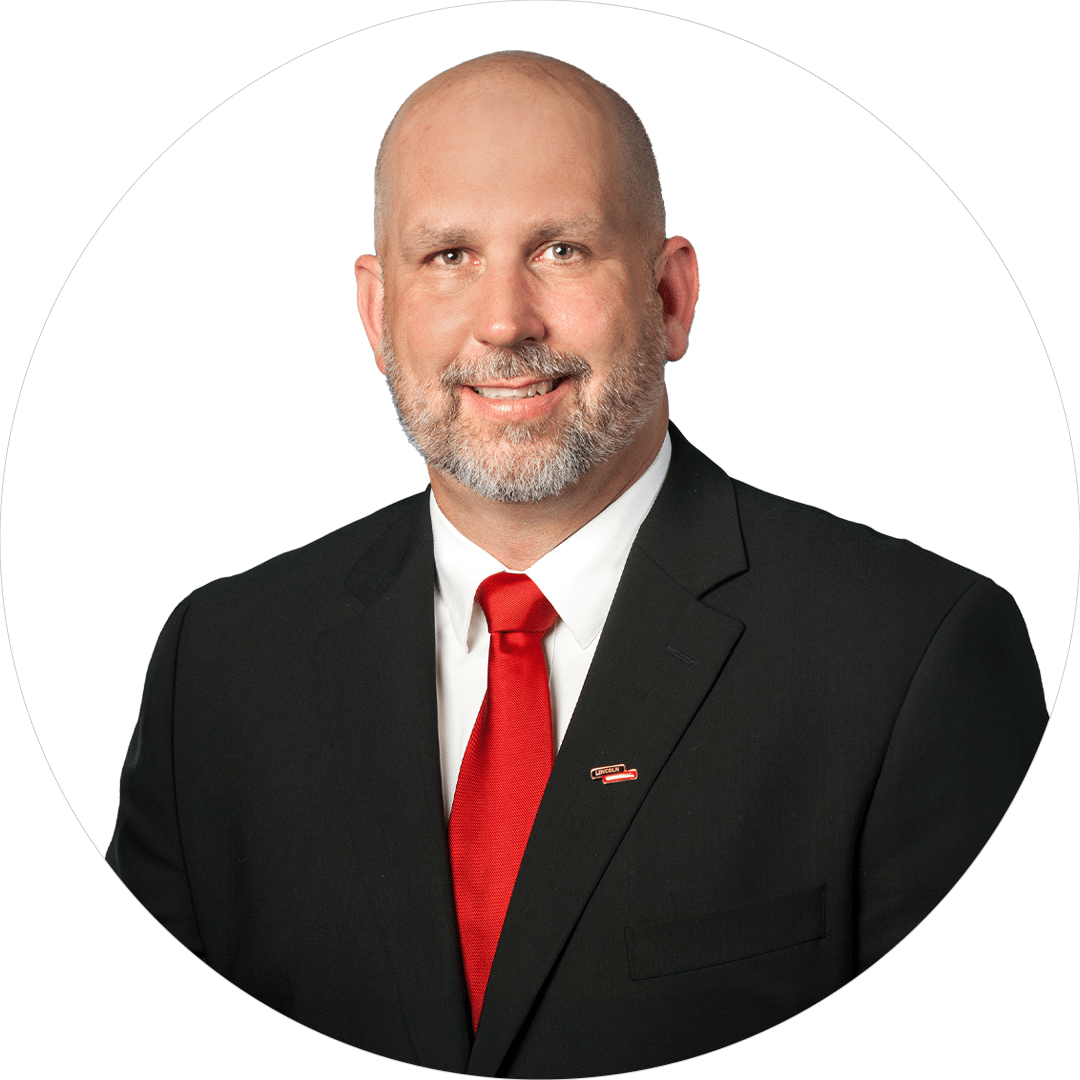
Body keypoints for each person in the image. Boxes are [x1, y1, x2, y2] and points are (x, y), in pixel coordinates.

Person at [106, 52, 1047, 1078]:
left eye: (562, 248)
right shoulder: (224, 666)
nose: (505, 321)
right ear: (377, 317)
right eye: (448, 257)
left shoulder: (913, 659)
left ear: (671, 297)